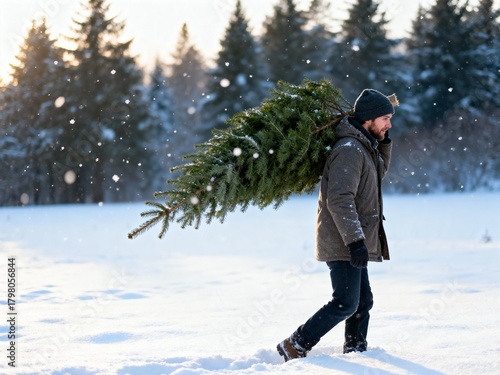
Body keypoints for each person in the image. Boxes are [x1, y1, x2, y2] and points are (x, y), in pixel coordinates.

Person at [277, 88, 394, 361]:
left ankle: (356, 352)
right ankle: (294, 344)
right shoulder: (349, 150)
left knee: (363, 302)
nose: (389, 124)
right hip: (343, 240)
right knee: (346, 303)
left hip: (353, 239)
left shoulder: (362, 146)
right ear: (369, 119)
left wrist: (384, 143)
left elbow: (376, 176)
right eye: (385, 118)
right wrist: (355, 241)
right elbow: (339, 199)